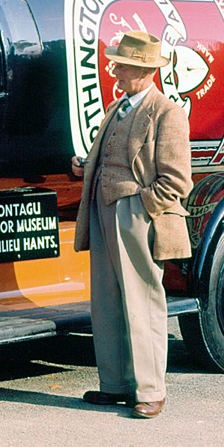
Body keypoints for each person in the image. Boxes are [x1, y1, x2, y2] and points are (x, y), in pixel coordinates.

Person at [70, 30, 193, 419]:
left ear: (143, 71)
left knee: (143, 302)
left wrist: (140, 207)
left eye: (121, 65)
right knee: (106, 303)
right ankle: (116, 385)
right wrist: (85, 167)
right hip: (104, 208)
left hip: (135, 213)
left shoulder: (166, 113)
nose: (114, 70)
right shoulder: (118, 107)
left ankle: (151, 391)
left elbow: (177, 181)